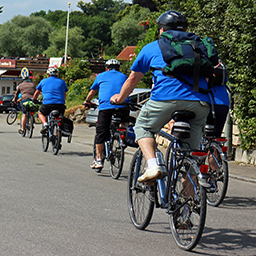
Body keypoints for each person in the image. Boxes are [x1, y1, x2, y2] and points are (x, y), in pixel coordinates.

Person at [111, 10, 218, 185]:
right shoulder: (199, 47)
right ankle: (188, 205)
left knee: (143, 127)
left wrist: (120, 98)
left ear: (161, 30)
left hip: (165, 100)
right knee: (190, 153)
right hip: (200, 102)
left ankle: (153, 166)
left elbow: (132, 79)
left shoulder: (152, 47)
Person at [84, 59, 130, 169]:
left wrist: (87, 101)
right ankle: (122, 136)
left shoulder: (100, 76)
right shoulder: (124, 76)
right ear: (119, 68)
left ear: (106, 68)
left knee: (101, 132)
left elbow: (93, 91)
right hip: (123, 106)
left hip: (106, 107)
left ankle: (98, 159)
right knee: (124, 120)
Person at [33, 67, 68, 134]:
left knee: (40, 113)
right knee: (59, 119)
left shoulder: (43, 81)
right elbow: (64, 94)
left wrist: (34, 100)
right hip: (60, 104)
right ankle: (58, 137)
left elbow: (37, 92)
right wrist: (63, 102)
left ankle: (45, 124)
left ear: (48, 75)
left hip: (47, 104)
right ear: (57, 75)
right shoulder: (62, 82)